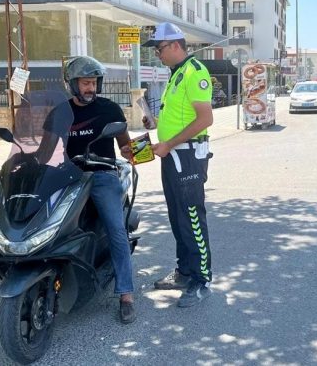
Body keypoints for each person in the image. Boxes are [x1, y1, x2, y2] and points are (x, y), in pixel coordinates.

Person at [142, 22, 214, 308]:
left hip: (187, 156)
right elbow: (181, 119)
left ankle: (201, 279)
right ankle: (185, 271)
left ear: (174, 45)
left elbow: (204, 120)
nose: (157, 55)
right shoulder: (176, 75)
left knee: (192, 217)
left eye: (159, 49)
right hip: (172, 155)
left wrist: (169, 144)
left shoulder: (195, 72)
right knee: (177, 216)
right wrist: (156, 124)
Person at [61, 56, 137, 324]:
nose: (90, 88)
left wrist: (134, 152)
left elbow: (125, 145)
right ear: (72, 84)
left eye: (93, 82)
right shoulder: (61, 112)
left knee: (116, 229)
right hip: (70, 176)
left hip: (102, 175)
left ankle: (126, 294)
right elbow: (46, 148)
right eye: (85, 83)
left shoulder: (109, 109)